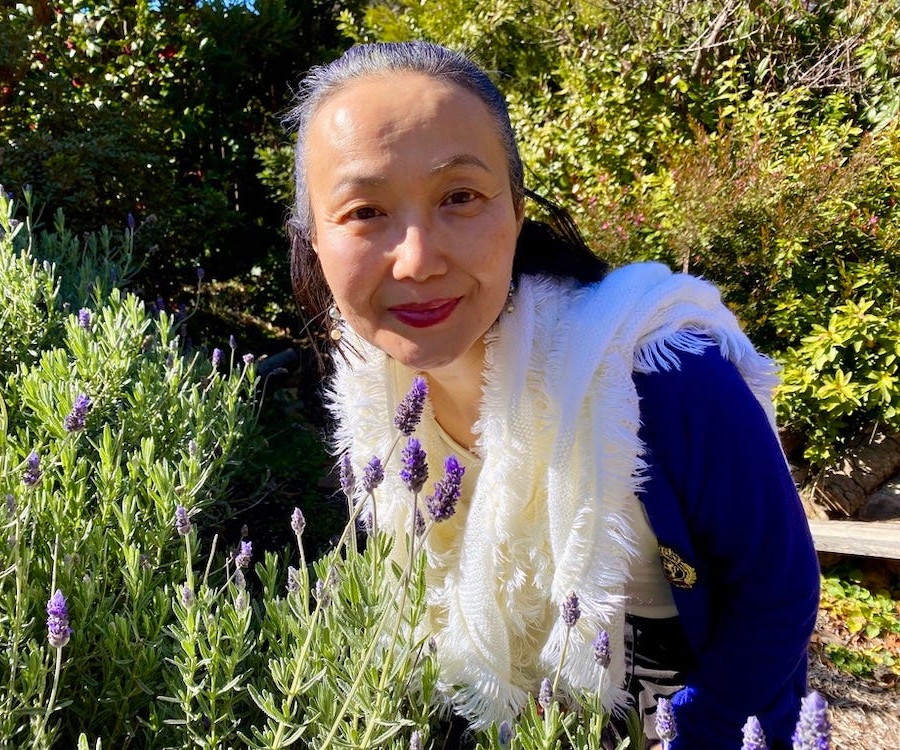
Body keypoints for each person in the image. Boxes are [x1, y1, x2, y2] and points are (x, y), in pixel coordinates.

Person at [284, 40, 820, 749]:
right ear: (313, 240)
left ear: (515, 209)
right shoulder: (371, 404)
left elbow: (777, 594)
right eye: (364, 211)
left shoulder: (660, 378)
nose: (417, 260)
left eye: (460, 197)